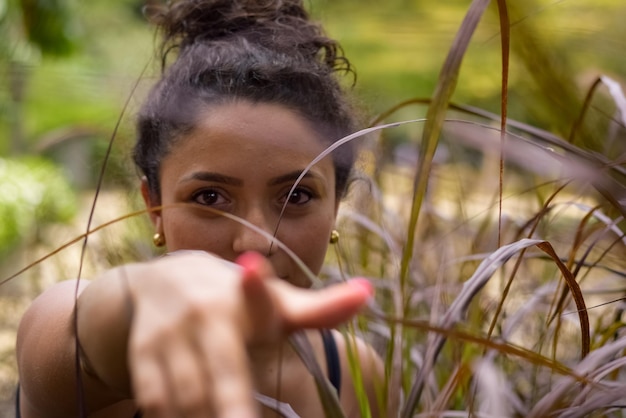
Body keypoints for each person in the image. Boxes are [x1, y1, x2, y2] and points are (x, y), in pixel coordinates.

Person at [15, 0, 384, 417]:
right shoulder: (97, 353)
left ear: (335, 208)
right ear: (154, 207)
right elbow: (77, 334)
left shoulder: (355, 374)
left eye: (296, 197)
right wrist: (129, 309)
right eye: (209, 197)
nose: (256, 241)